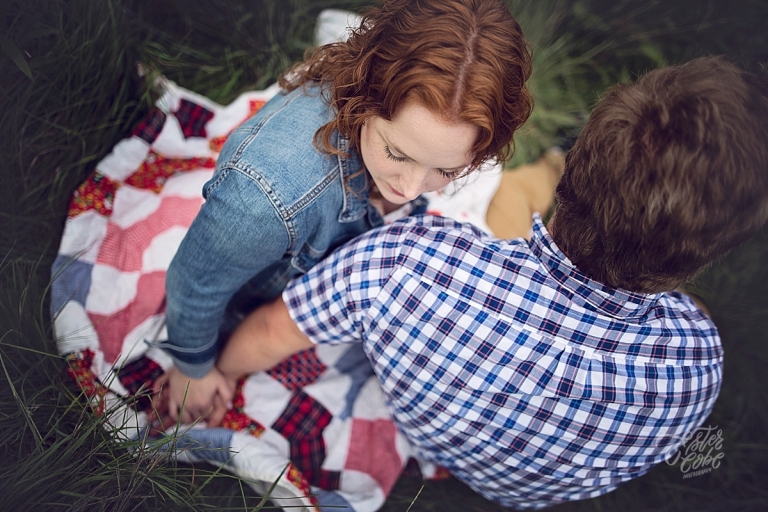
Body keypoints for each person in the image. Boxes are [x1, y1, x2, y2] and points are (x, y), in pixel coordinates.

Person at [214, 57, 768, 508]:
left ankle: (545, 167)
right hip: (512, 487)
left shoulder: (400, 263)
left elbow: (272, 330)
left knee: (508, 194)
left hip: (432, 426)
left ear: (581, 166)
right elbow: (687, 318)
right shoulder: (696, 363)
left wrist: (217, 373)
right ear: (706, 255)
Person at [156, 0, 533, 426]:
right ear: (365, 97)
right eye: (397, 152)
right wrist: (194, 371)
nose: (409, 188)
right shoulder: (265, 199)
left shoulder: (407, 150)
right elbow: (194, 282)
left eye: (446, 169)